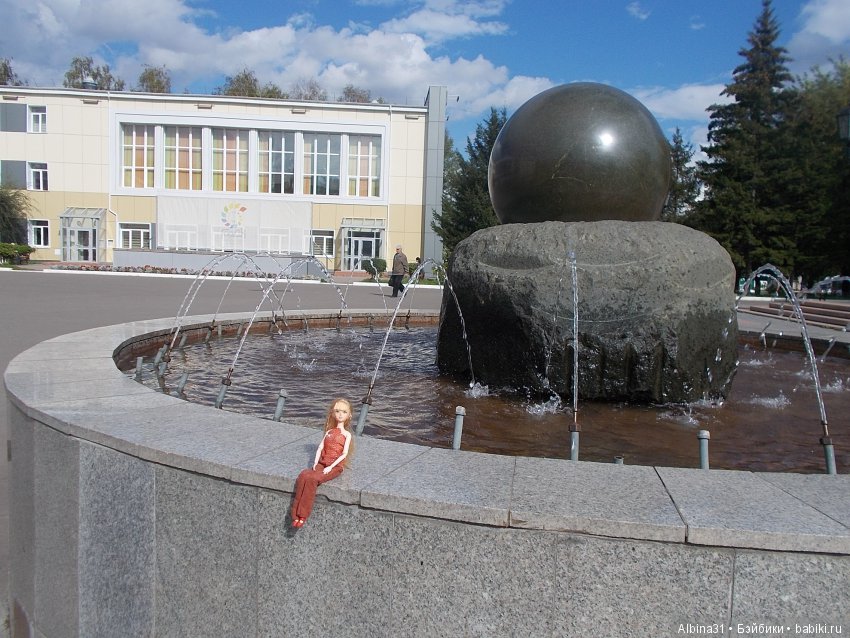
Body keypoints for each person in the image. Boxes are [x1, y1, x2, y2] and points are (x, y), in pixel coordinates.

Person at [290, 398, 354, 528]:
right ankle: (294, 513)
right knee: (304, 475)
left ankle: (303, 515)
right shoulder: (329, 432)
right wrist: (315, 462)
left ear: (349, 415)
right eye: (337, 411)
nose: (340, 414)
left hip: (335, 466)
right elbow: (320, 448)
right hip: (321, 463)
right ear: (333, 413)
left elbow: (344, 453)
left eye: (344, 412)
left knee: (312, 479)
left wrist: (330, 467)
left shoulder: (347, 435)